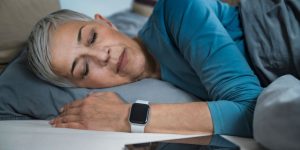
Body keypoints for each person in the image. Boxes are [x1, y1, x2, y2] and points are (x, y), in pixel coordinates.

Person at [27, 0, 262, 137]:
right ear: (82, 88)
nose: (102, 56)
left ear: (104, 22)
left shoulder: (177, 8)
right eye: (84, 69)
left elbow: (254, 111)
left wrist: (124, 116)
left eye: (92, 37)